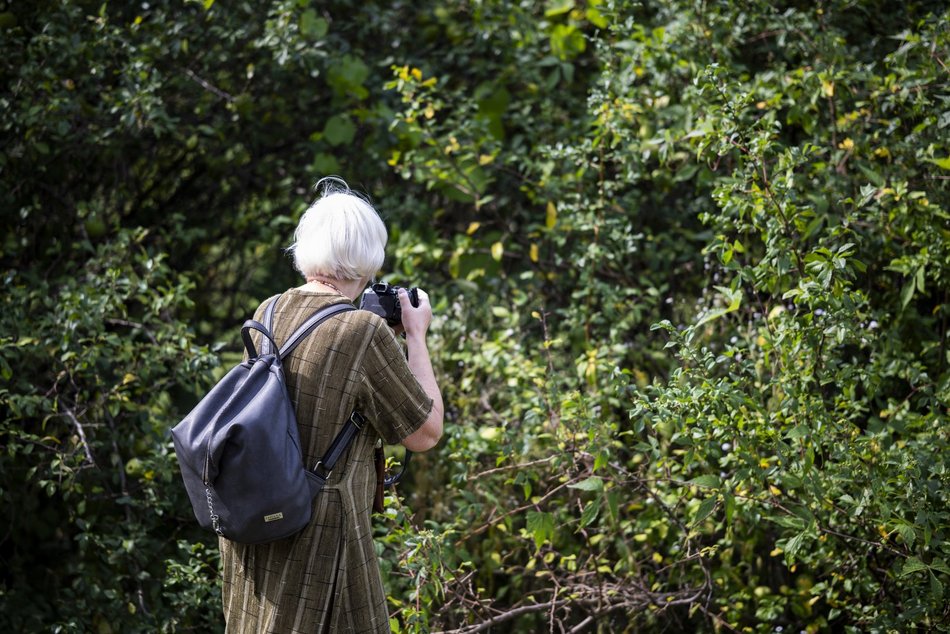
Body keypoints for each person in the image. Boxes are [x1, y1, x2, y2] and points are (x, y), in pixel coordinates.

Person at [219, 178, 444, 633]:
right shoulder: (361, 331)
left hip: (259, 520)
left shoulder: (268, 312)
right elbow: (424, 433)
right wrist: (416, 337)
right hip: (321, 537)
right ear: (368, 258)